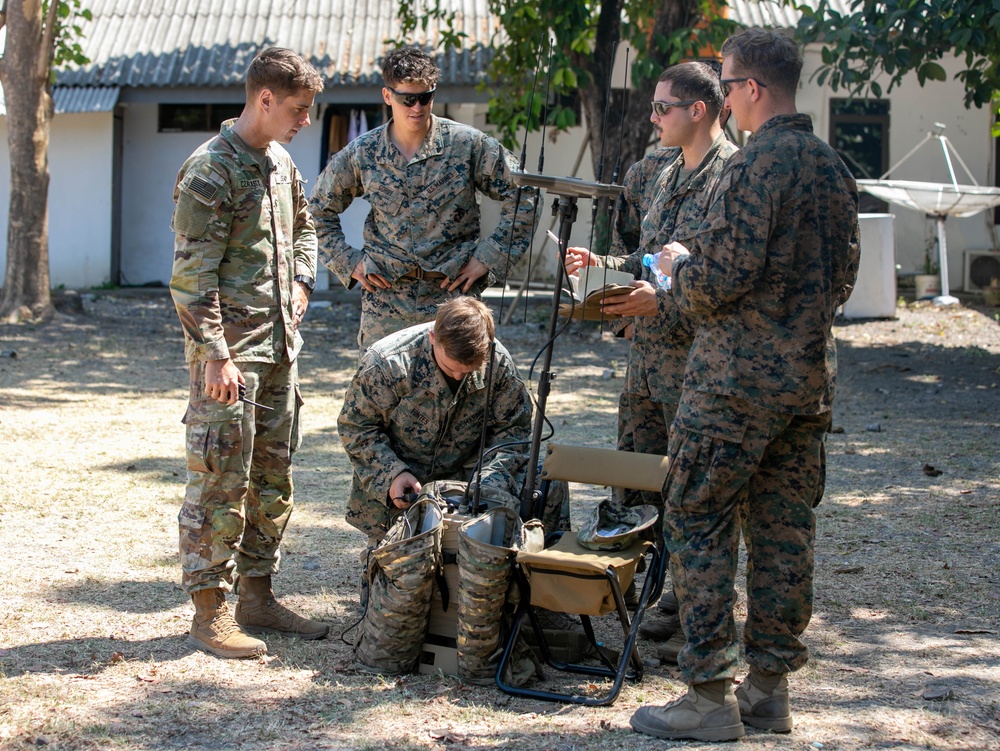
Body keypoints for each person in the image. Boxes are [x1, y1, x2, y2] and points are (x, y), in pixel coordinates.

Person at [628, 29, 860, 741]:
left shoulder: (755, 165)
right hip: (807, 382)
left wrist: (674, 273)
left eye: (726, 87)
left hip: (733, 385)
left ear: (752, 89)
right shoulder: (833, 168)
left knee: (697, 519)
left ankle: (706, 694)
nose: (724, 100)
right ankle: (768, 690)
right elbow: (844, 277)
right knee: (784, 533)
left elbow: (721, 277)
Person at [564, 62, 737, 642]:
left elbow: (728, 282)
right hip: (645, 365)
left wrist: (658, 304)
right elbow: (647, 261)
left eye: (663, 107)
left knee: (693, 492)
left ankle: (697, 610)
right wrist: (602, 273)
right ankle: (643, 589)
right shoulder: (658, 172)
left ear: (699, 110)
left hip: (701, 367)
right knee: (635, 483)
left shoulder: (733, 178)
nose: (653, 116)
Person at [169, 47, 329, 659]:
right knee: (218, 481)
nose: (305, 120)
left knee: (272, 479)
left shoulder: (281, 161)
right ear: (264, 99)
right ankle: (210, 613)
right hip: (228, 359)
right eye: (298, 109)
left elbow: (307, 227)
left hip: (279, 350)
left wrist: (304, 285)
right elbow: (190, 277)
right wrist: (214, 354)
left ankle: (257, 596)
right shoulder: (211, 171)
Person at [309, 46, 538, 352]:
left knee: (459, 388)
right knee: (382, 393)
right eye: (407, 99)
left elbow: (525, 194)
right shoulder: (364, 153)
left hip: (452, 298)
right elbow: (316, 211)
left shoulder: (465, 145)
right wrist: (348, 262)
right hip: (386, 301)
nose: (417, 107)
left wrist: (489, 256)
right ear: (388, 96)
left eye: (425, 97)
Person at [338, 297, 533, 550]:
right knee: (397, 575)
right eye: (450, 367)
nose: (458, 376)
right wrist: (392, 474)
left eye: (469, 370)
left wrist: (489, 484)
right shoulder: (387, 362)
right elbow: (357, 427)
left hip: (468, 486)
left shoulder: (499, 365)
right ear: (432, 337)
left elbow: (513, 433)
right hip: (404, 489)